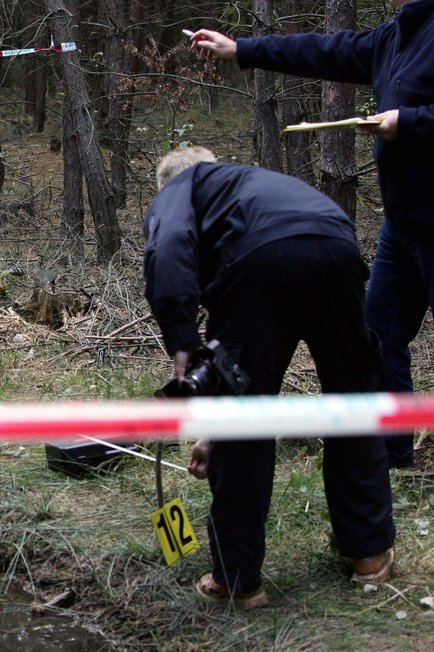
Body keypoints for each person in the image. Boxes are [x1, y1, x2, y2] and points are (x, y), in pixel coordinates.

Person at [145, 147, 395, 610]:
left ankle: (238, 581)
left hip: (258, 263)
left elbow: (168, 246)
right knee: (353, 400)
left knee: (245, 418)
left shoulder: (184, 183)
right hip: (337, 245)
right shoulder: (257, 182)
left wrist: (182, 341)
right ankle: (370, 557)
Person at [186, 1, 433, 469]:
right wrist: (242, 49)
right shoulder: (395, 36)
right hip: (403, 227)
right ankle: (390, 454)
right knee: (377, 336)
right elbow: (326, 50)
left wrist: (411, 122)